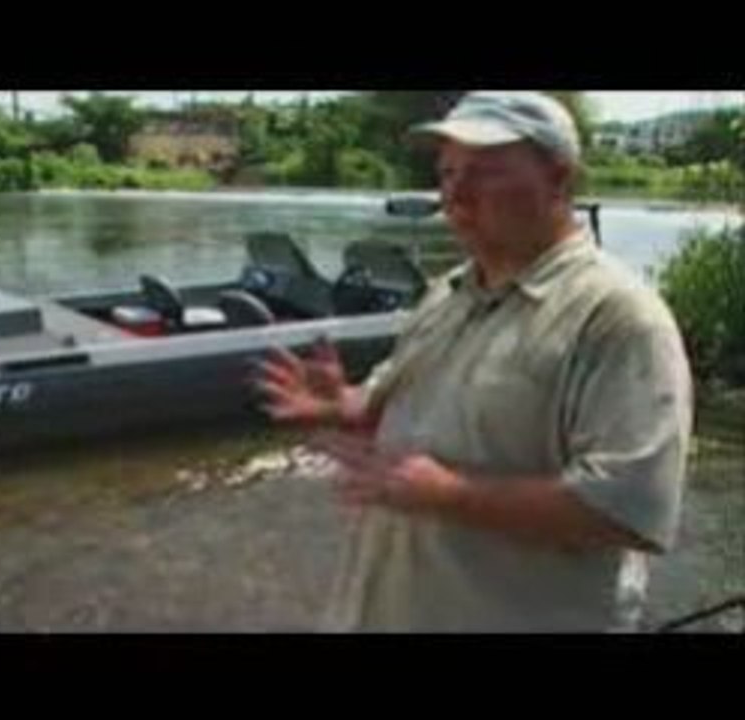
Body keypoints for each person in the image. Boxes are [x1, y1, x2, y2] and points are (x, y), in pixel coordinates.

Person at [254, 91, 694, 632]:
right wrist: (343, 406)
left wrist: (452, 496)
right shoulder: (447, 294)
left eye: (483, 172)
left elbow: (627, 507)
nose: (454, 194)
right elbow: (388, 407)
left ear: (558, 179)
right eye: (447, 173)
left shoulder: (619, 317)